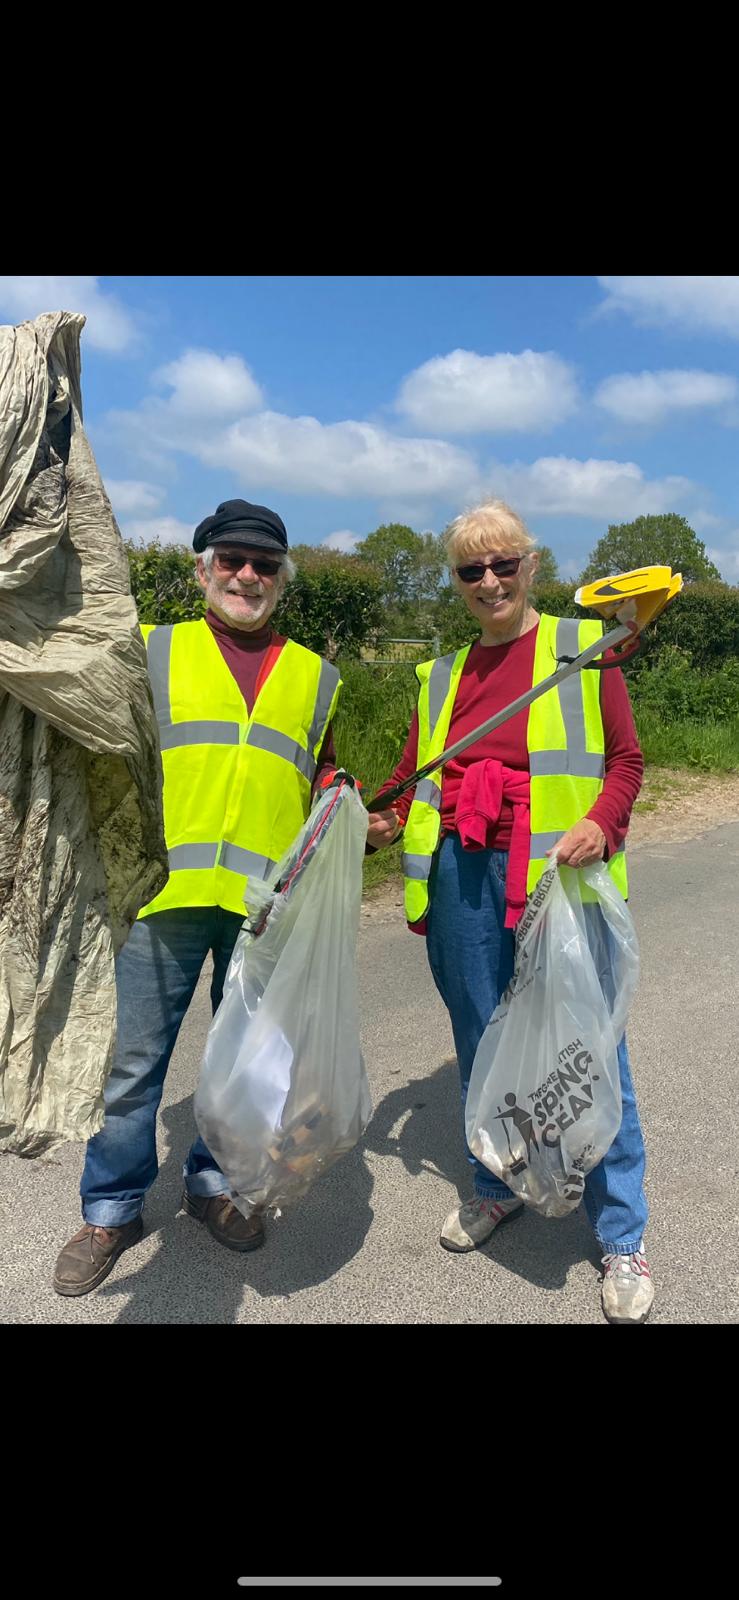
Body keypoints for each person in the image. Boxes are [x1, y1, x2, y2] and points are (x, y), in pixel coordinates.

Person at [367, 499, 654, 1325]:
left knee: (591, 1048)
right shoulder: (440, 675)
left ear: (530, 565)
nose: (488, 580)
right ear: (455, 581)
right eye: (470, 569)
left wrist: (602, 822)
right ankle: (498, 1184)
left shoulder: (582, 648)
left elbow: (626, 762)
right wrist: (382, 827)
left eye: (503, 564)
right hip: (461, 872)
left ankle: (621, 1233)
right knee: (481, 1038)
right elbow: (414, 774)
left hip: (557, 878)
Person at [53, 499, 342, 1296]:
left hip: (260, 907)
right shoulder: (151, 650)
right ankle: (111, 1208)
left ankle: (214, 1185)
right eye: (231, 559)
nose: (247, 574)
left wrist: (349, 805)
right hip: (160, 892)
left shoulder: (319, 675)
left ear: (283, 579)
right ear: (201, 567)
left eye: (265, 564)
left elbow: (318, 772)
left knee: (243, 1065)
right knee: (133, 1064)